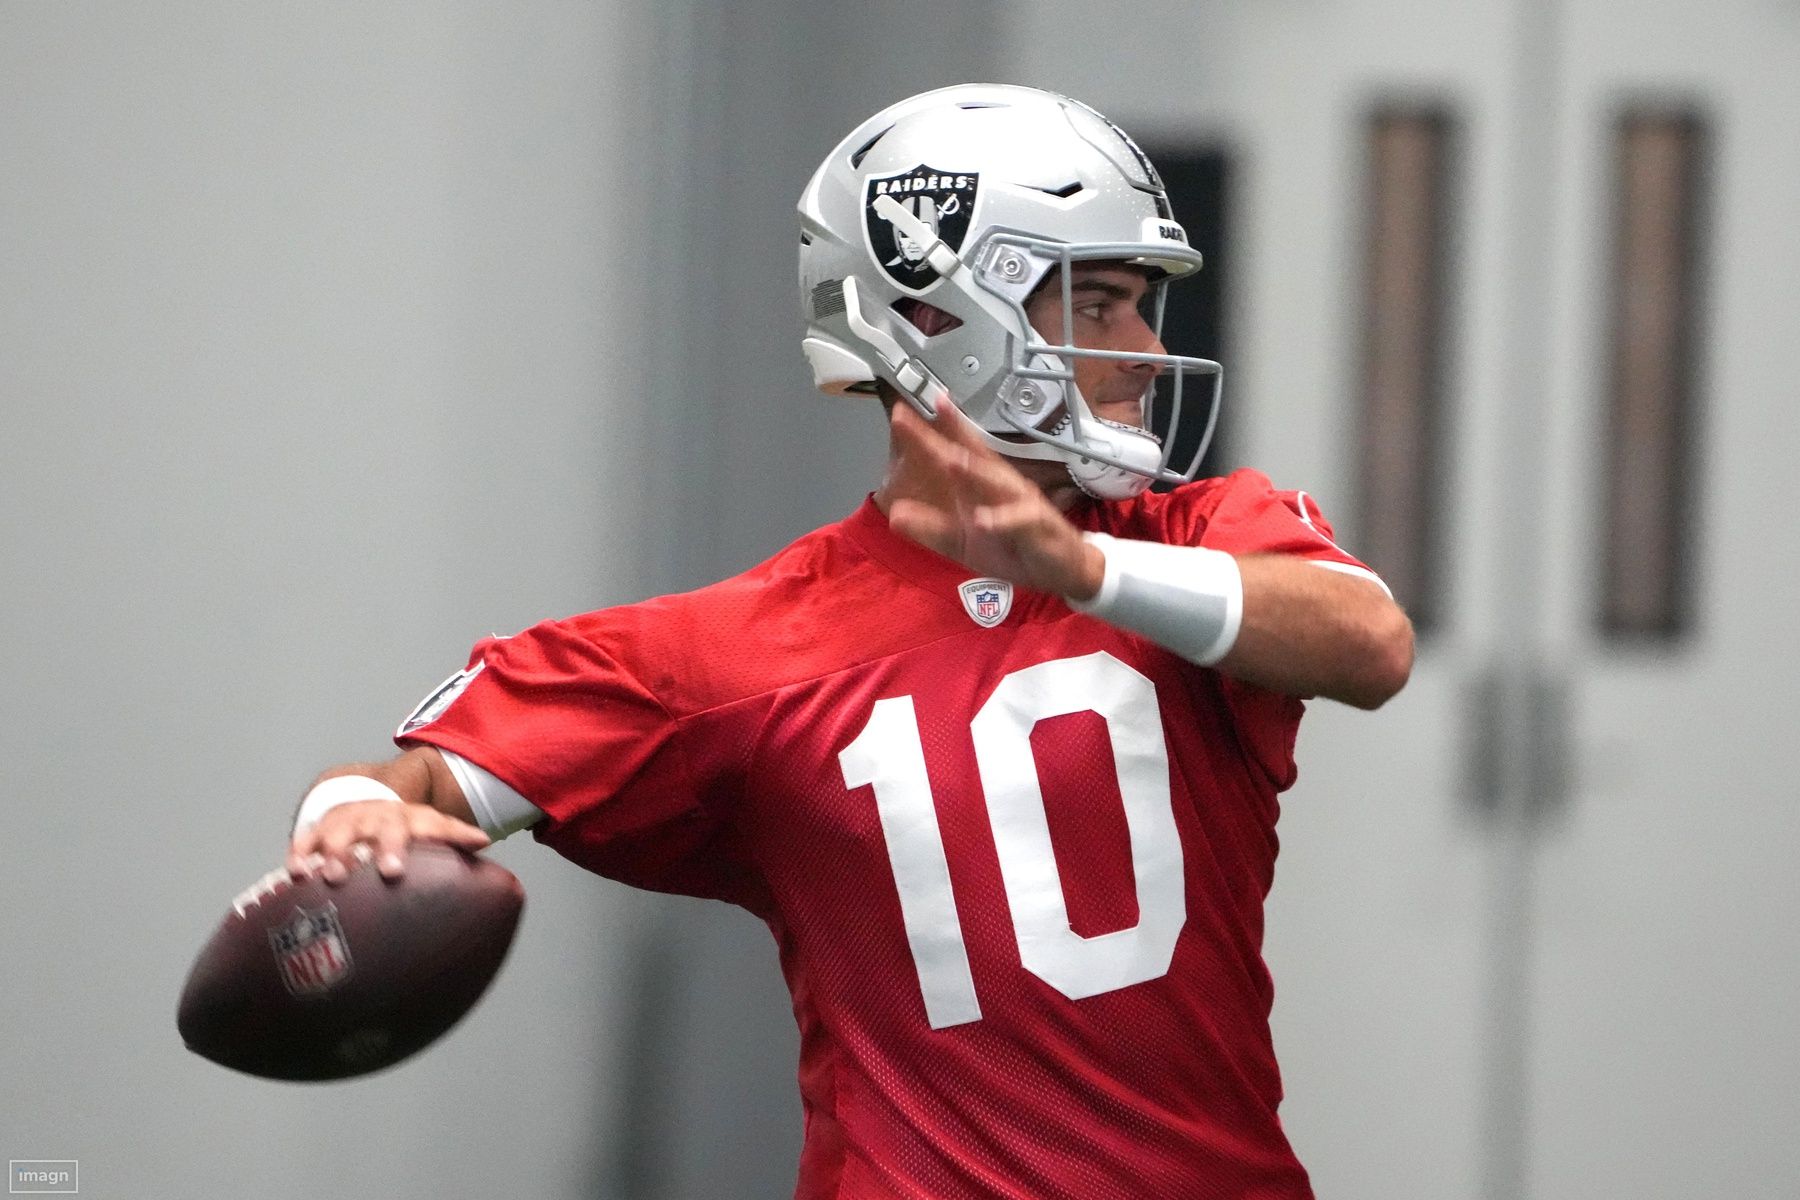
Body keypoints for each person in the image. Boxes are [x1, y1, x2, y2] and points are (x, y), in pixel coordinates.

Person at [286, 84, 1413, 1199]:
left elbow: (1370, 646)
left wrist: (1084, 571)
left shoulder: (1190, 546)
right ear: (938, 319)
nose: (1142, 348)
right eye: (1104, 302)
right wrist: (356, 821)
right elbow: (404, 786)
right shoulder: (743, 649)